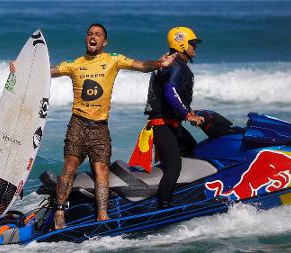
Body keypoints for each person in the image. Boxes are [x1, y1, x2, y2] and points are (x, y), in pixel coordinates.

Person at [11, 23, 176, 229]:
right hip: (78, 124)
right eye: (90, 34)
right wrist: (23, 68)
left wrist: (159, 63)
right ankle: (60, 211)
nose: (93, 37)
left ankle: (103, 213)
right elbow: (47, 72)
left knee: (102, 170)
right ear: (86, 39)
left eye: (98, 35)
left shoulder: (113, 59)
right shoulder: (75, 64)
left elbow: (142, 66)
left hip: (100, 127)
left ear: (104, 41)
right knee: (69, 167)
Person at [144, 26, 205, 209]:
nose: (195, 48)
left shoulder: (172, 63)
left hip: (171, 124)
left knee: (192, 149)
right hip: (162, 125)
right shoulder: (175, 66)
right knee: (174, 167)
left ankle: (182, 192)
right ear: (182, 44)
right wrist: (187, 115)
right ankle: (163, 207)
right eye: (192, 44)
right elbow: (171, 93)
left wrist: (189, 113)